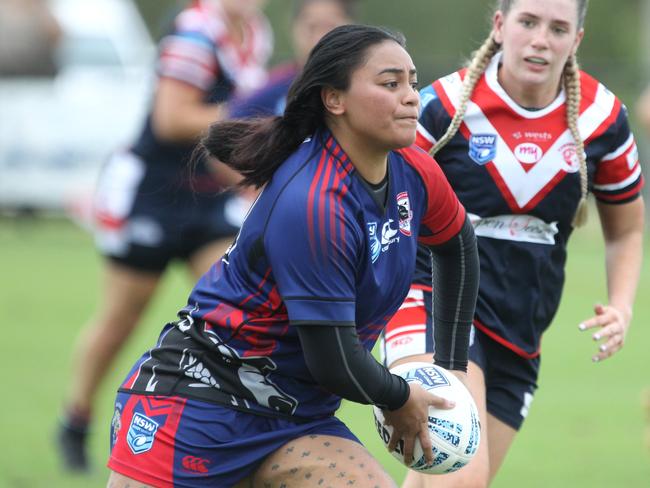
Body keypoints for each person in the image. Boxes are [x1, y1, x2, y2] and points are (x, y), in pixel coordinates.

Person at [105, 24, 481, 487]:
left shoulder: (414, 171)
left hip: (295, 417)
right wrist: (400, 396)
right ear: (334, 99)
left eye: (411, 81)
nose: (411, 96)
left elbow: (457, 245)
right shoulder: (316, 202)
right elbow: (335, 359)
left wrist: (450, 369)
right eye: (390, 83)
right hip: (196, 408)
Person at [381, 0, 645, 486]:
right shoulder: (442, 106)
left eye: (558, 28)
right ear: (500, 26)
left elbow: (626, 229)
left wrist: (622, 306)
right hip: (431, 298)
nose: (541, 39)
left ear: (576, 40)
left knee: (447, 479)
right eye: (528, 22)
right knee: (457, 472)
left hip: (521, 328)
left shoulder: (604, 120)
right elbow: (381, 194)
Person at [57, 0, 273, 472]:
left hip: (208, 196)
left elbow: (225, 135)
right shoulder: (196, 33)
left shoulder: (255, 33)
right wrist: (255, 115)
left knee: (237, 309)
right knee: (121, 318)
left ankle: (232, 432)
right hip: (151, 195)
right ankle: (75, 421)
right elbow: (171, 119)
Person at [228, 0, 355, 118]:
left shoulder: (362, 88)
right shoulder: (272, 89)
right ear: (294, 28)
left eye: (329, 27)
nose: (320, 38)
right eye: (312, 27)